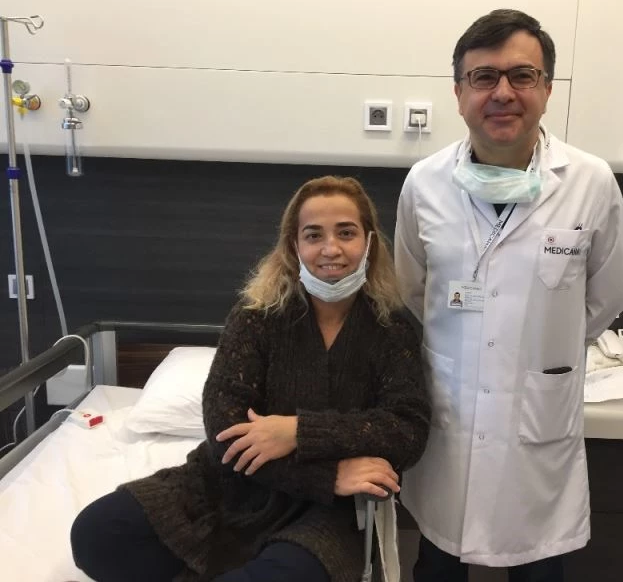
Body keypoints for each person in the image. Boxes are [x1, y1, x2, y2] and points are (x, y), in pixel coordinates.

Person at [71, 175, 431, 582]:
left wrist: (298, 431)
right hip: (232, 484)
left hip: (329, 511)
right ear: (294, 246)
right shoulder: (256, 318)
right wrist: (326, 475)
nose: (331, 249)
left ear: (369, 242)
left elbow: (407, 430)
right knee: (96, 535)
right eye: (314, 235)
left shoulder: (391, 329)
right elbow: (224, 429)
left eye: (346, 233)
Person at [394, 9, 623, 582]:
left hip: (537, 425)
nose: (503, 92)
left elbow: (608, 295)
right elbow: (411, 290)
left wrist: (541, 345)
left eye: (522, 75)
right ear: (459, 93)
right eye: (483, 77)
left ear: (546, 89)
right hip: (451, 419)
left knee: (540, 568)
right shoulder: (424, 183)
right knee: (438, 563)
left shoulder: (591, 181)